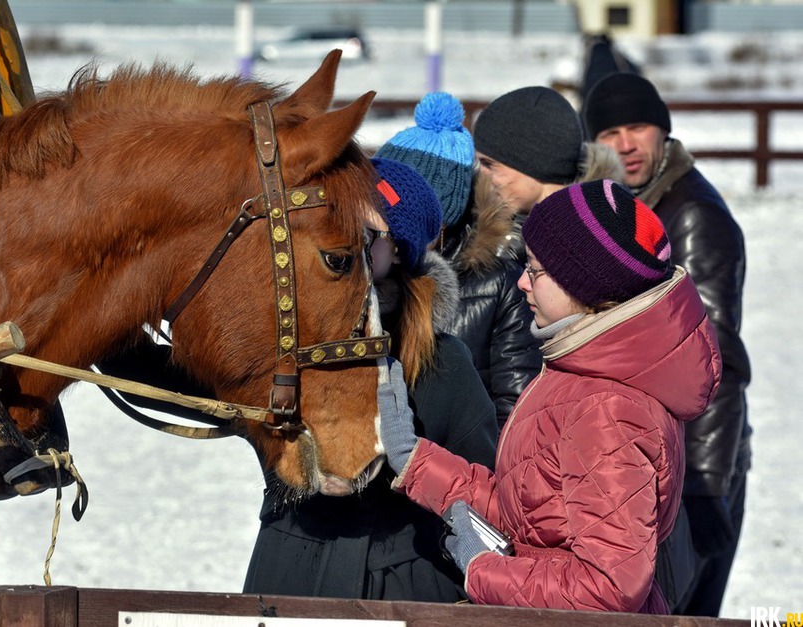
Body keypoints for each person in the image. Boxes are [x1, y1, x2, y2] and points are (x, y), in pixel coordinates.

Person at [378, 179, 723, 614]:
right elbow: (531, 512)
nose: (522, 282)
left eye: (536, 270)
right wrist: (414, 461)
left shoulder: (608, 411)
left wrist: (481, 568)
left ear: (587, 286)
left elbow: (608, 589)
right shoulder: (579, 374)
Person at [242, 158, 499, 601]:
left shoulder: (444, 362)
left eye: (363, 230)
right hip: (287, 571)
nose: (342, 237)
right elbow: (184, 386)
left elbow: (486, 489)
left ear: (398, 248)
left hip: (406, 585)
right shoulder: (286, 339)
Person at [583, 73, 752, 617]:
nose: (626, 144)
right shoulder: (623, 210)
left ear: (663, 133)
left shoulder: (692, 217)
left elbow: (714, 361)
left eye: (639, 127)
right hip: (654, 463)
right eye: (610, 131)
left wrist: (704, 487)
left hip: (698, 470)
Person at [378, 87, 621, 430]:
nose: (483, 177)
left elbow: (519, 398)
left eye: (491, 164)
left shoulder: (519, 263)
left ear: (534, 163)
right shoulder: (486, 244)